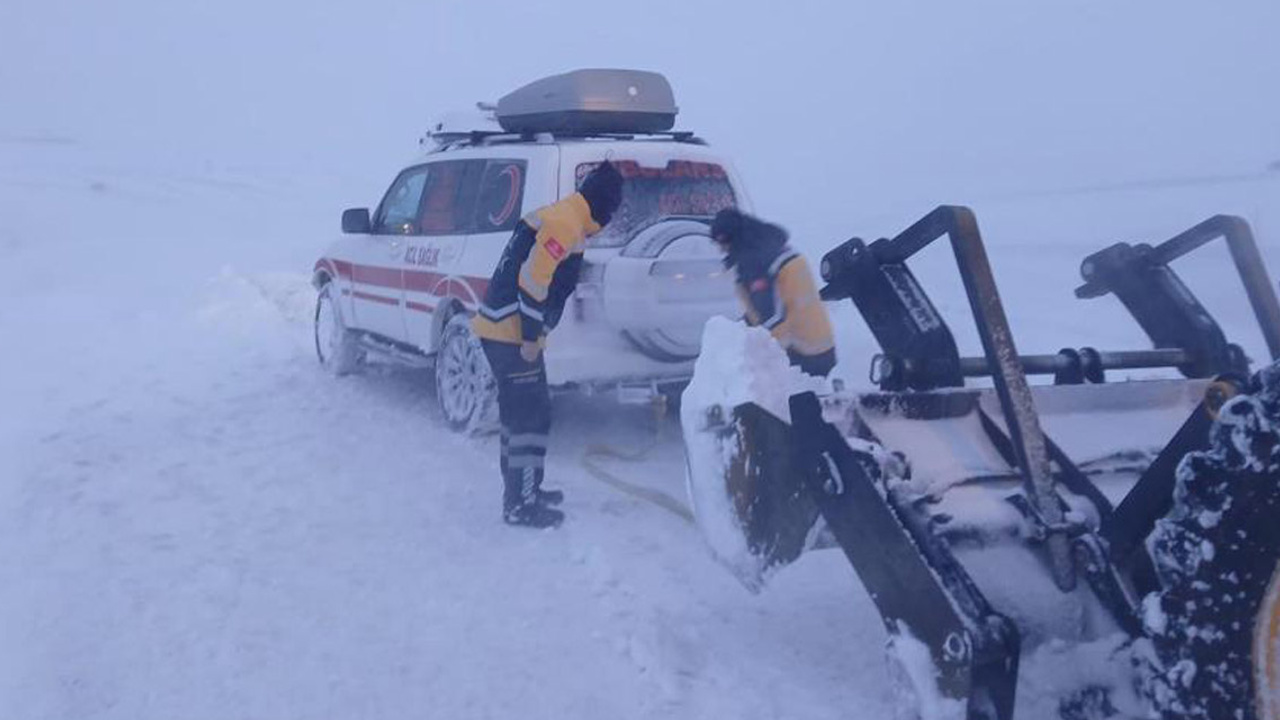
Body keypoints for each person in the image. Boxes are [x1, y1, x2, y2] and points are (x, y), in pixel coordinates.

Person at [472, 161, 624, 528]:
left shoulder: (568, 217)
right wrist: (529, 336)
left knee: (527, 415)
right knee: (528, 419)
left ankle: (527, 490)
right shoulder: (564, 224)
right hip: (510, 334)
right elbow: (532, 282)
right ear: (604, 205)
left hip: (508, 330)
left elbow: (551, 273)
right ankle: (520, 504)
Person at [710, 208, 836, 377]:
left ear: (732, 237)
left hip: (800, 353)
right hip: (820, 343)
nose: (721, 250)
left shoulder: (756, 262)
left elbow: (770, 315)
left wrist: (753, 349)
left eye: (722, 243)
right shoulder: (773, 248)